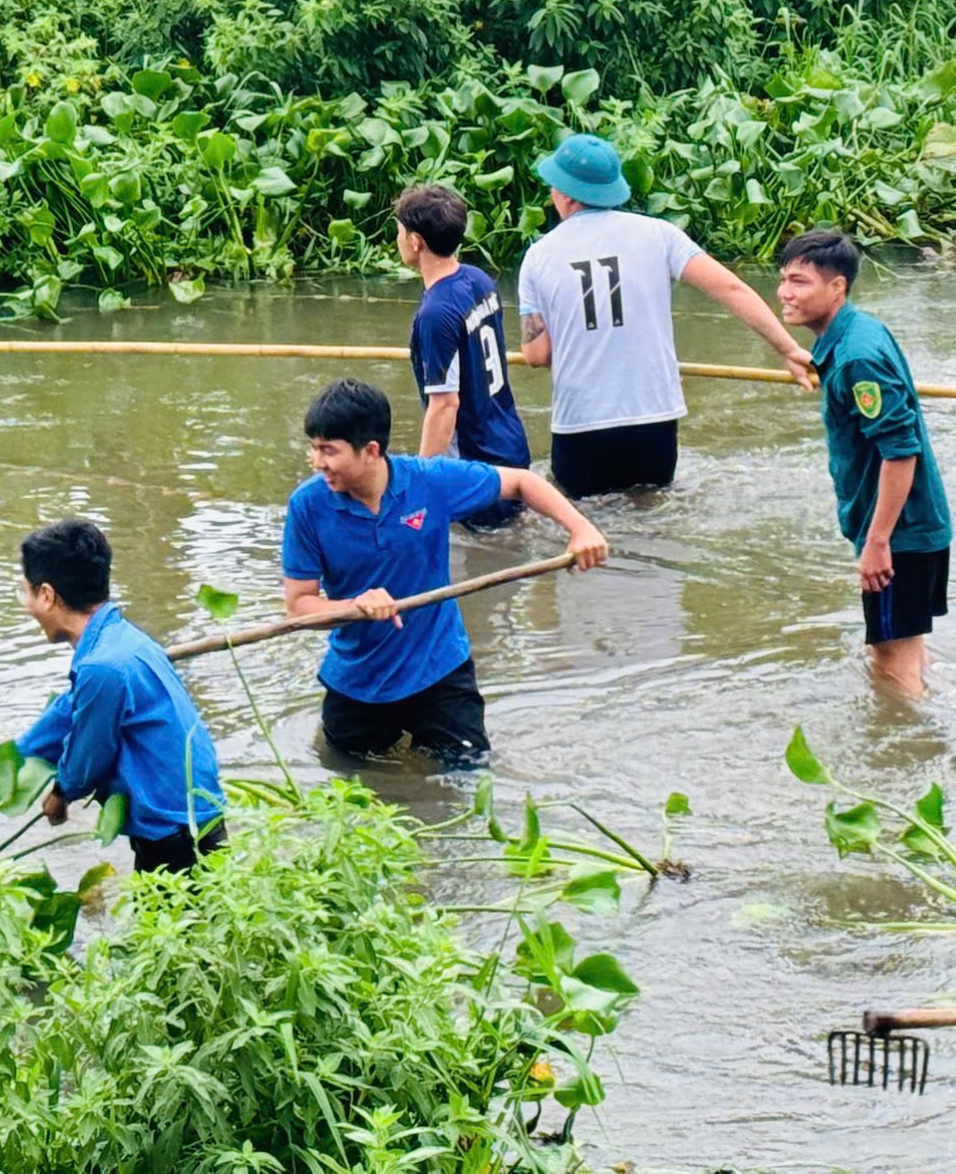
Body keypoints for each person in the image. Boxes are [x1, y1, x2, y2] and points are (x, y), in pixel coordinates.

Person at [282, 379, 608, 766]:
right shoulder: (307, 506)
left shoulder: (429, 481)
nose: (317, 462)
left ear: (370, 451)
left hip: (439, 669)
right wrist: (354, 605)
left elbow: (523, 481)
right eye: (314, 449)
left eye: (328, 451)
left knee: (468, 777)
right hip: (360, 680)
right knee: (350, 783)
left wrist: (581, 529)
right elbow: (298, 606)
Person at [516, 132, 812, 498]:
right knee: (652, 516)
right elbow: (731, 289)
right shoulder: (659, 235)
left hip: (580, 422)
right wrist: (788, 350)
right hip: (653, 417)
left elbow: (537, 355)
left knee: (587, 532)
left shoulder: (539, 256)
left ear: (565, 193)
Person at [773, 229, 953, 698]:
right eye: (783, 280)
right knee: (903, 649)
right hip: (912, 526)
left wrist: (877, 543)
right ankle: (926, 719)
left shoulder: (857, 358)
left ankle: (903, 756)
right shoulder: (856, 333)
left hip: (900, 535)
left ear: (837, 288)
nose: (784, 294)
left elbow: (900, 451)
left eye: (799, 283)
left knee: (890, 664)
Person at [8, 517, 227, 874]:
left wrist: (62, 792)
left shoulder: (103, 667)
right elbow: (69, 712)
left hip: (175, 833)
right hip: (192, 816)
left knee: (166, 928)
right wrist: (3, 777)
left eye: (26, 592)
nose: (26, 603)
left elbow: (90, 755)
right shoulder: (122, 640)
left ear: (47, 595)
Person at [395, 183, 532, 525]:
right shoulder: (479, 279)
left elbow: (445, 405)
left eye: (399, 231)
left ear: (416, 241)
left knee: (477, 554)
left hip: (475, 465)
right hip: (510, 445)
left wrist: (420, 482)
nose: (397, 239)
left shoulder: (435, 314)